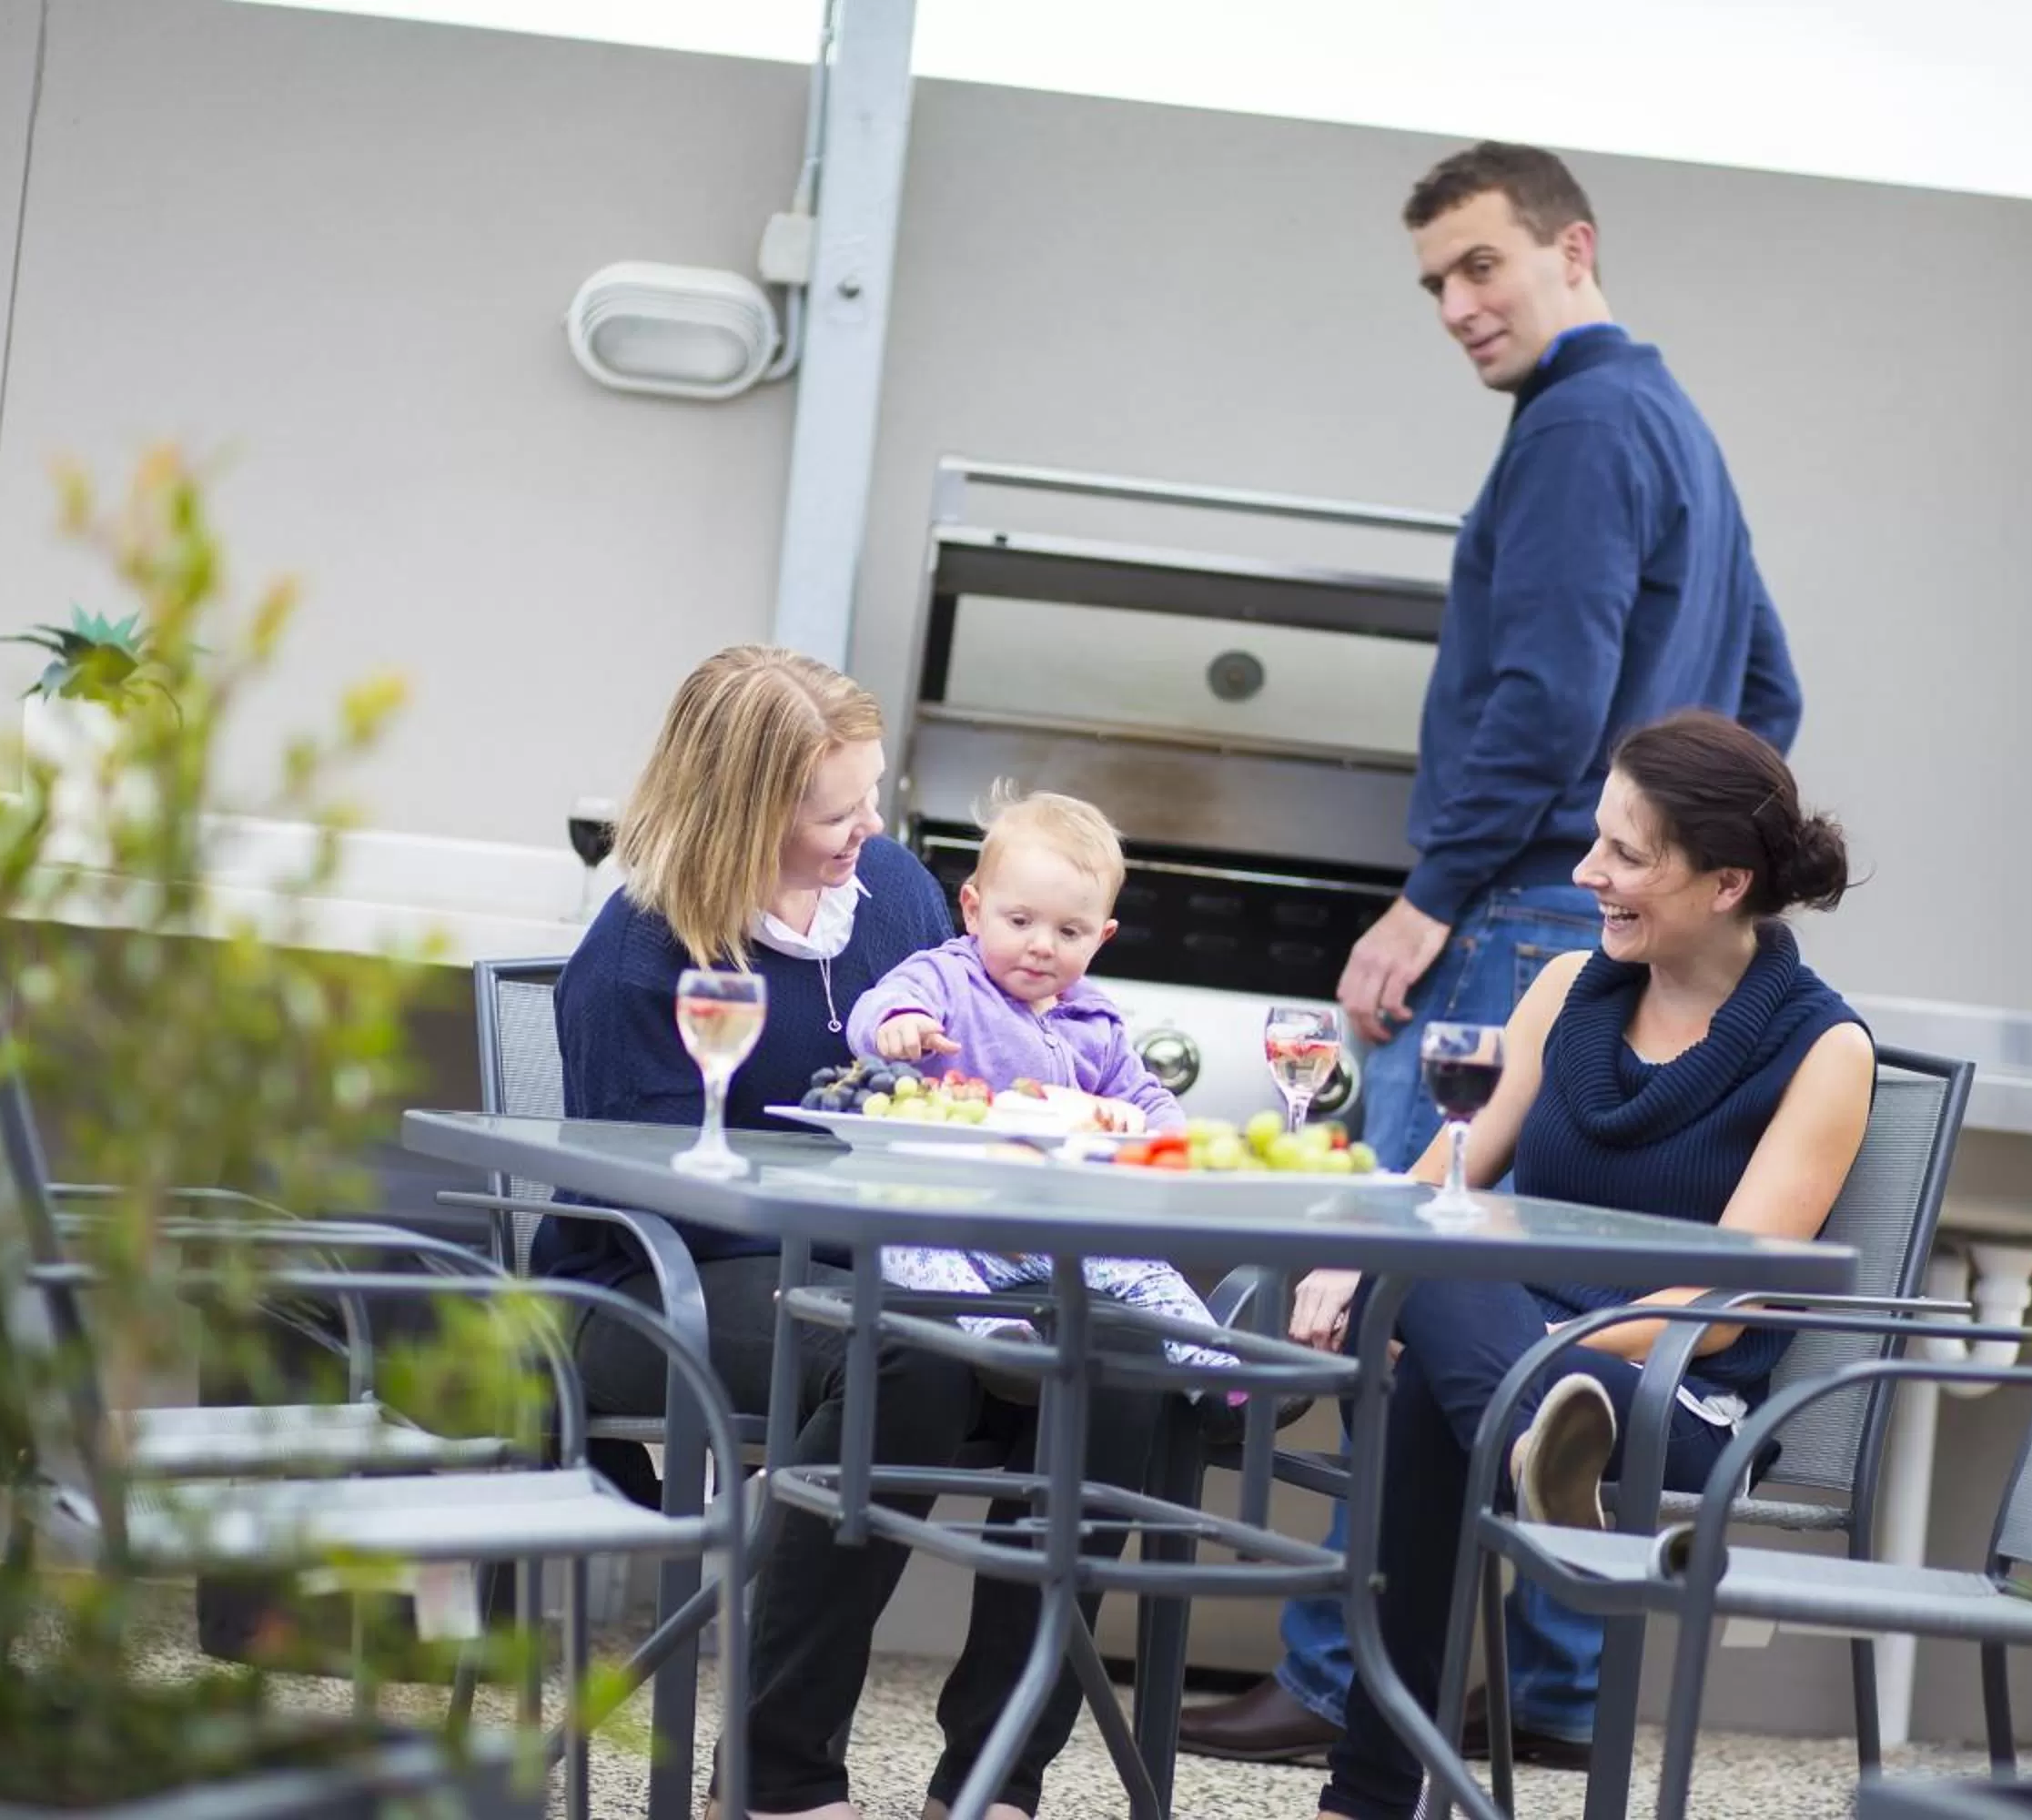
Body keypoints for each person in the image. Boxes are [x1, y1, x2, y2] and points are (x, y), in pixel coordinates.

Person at [1183, 137, 1806, 1768]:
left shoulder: (1582, 428)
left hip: (1519, 912)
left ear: (1571, 248)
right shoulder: (1682, 430)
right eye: (1435, 285)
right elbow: (1768, 703)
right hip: (1603, 920)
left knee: (1403, 1288)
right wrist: (1679, 882)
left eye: (1482, 267)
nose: (1458, 307)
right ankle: (1542, 1691)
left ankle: (1344, 1685)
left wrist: (1433, 895)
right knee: (1534, 1297)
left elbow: (1540, 692)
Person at [538, 645, 1171, 1820]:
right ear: (750, 807)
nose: (868, 828)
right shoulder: (637, 955)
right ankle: (777, 1779)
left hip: (904, 1263)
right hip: (662, 1281)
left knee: (1115, 1363)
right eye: (840, 809)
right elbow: (669, 1191)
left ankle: (994, 1782)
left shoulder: (891, 896)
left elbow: (962, 1078)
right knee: (911, 1354)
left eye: (870, 796)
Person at [1293, 711, 1874, 1819]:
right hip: (1523, 1372)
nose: (1586, 870)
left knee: (1435, 1334)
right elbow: (1437, 1181)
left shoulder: (1823, 1048)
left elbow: (1715, 1310)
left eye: (1625, 852)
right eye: (1595, 839)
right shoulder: (1565, 988)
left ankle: (1362, 1801)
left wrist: (1478, 1317)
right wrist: (1347, 1257)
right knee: (1435, 1287)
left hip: (1673, 1393)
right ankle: (1526, 1445)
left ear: (1722, 883)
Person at [845, 789, 1241, 1380]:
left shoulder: (1095, 1020)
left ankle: (1215, 1375)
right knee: (906, 1245)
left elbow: (1142, 1094)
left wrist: (1171, 1142)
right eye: (1021, 921)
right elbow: (878, 1008)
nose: (1041, 945)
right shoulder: (949, 977)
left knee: (1146, 1270)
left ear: (1101, 938)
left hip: (1051, 1234)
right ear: (975, 910)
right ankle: (1000, 1346)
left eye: (1069, 932)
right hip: (946, 1216)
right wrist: (899, 1024)